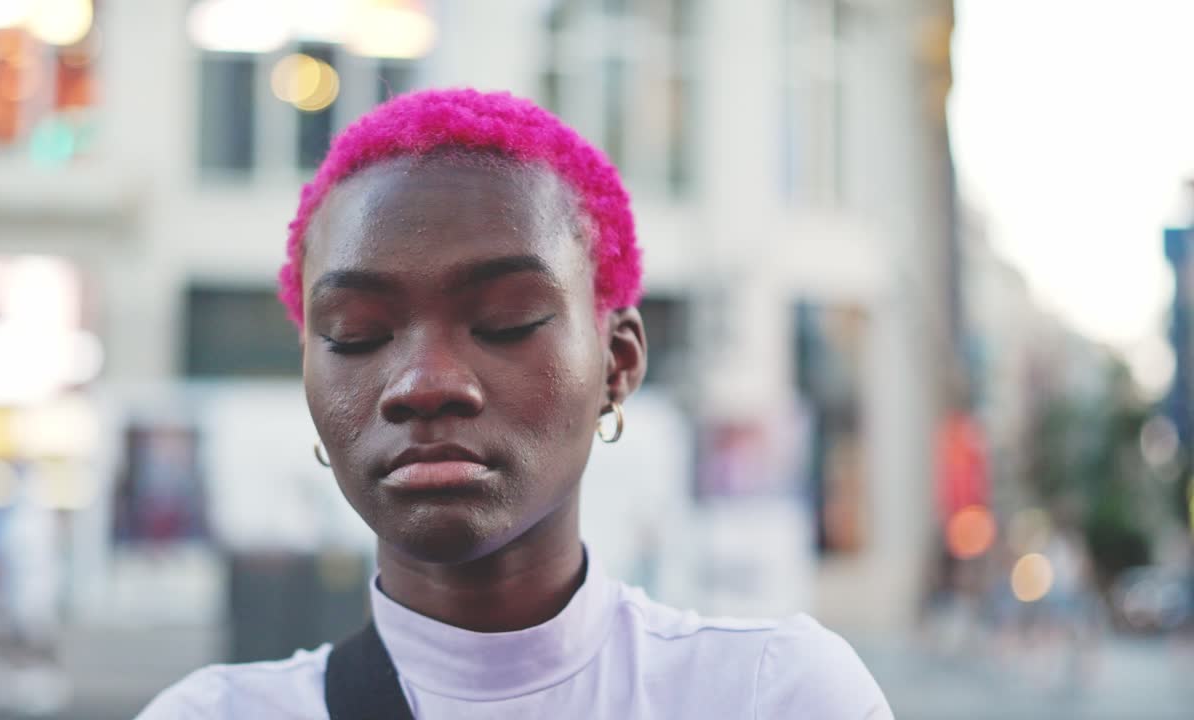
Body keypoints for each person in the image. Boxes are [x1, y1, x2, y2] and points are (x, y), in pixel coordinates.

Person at [138, 88, 892, 719]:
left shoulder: (773, 694)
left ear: (618, 362)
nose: (424, 383)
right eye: (357, 335)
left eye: (507, 322)